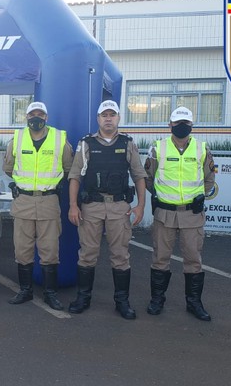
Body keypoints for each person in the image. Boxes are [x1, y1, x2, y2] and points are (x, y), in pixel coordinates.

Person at [67, 100, 146, 319]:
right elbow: (75, 176)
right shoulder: (86, 144)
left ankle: (122, 302)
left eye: (112, 114)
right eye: (104, 115)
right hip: (91, 207)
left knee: (120, 255)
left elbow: (139, 176)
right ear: (98, 119)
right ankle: (83, 298)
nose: (108, 118)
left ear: (118, 118)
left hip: (119, 207)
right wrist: (73, 206)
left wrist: (140, 206)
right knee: (87, 255)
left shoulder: (128, 144)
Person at [144, 106, 215, 321]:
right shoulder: (158, 148)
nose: (182, 127)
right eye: (177, 123)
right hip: (165, 213)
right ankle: (157, 300)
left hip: (192, 214)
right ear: (170, 125)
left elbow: (209, 178)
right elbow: (148, 177)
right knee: (160, 258)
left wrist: (199, 196)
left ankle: (194, 303)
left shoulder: (202, 149)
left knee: (193, 259)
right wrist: (161, 195)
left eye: (186, 123)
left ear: (192, 126)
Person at [3, 101, 73, 310]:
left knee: (50, 249)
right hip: (23, 201)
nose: (36, 118)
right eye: (32, 115)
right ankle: (25, 291)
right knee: (22, 249)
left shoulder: (60, 139)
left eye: (40, 115)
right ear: (26, 117)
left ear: (46, 117)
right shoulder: (16, 139)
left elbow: (68, 168)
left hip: (48, 201)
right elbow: (8, 168)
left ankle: (50, 294)